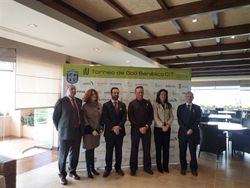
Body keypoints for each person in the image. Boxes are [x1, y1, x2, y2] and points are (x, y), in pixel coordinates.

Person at [53, 84, 83, 185]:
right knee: (63, 156)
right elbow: (55, 117)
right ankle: (62, 175)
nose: (74, 90)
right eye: (71, 89)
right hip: (64, 134)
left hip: (77, 132)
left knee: (75, 155)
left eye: (75, 89)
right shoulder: (61, 101)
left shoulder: (79, 101)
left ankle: (72, 172)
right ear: (67, 90)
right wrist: (60, 129)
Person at [128, 86, 154, 176]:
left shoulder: (148, 103)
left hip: (147, 130)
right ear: (135, 93)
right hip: (135, 130)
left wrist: (146, 126)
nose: (140, 93)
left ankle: (147, 167)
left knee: (147, 149)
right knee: (134, 149)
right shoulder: (132, 104)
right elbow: (131, 118)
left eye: (142, 92)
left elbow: (151, 116)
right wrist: (139, 127)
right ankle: (133, 168)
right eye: (139, 92)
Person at [102, 87, 127, 177]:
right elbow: (105, 118)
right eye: (114, 93)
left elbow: (124, 117)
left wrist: (118, 127)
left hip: (120, 132)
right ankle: (108, 169)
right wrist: (113, 128)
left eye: (117, 93)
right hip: (109, 132)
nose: (116, 94)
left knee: (118, 151)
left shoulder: (123, 105)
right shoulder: (105, 105)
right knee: (109, 152)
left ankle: (118, 168)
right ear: (111, 93)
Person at [177, 91, 201, 176]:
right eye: (187, 96)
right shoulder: (180, 107)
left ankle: (194, 168)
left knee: (193, 152)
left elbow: (198, 120)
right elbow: (179, 120)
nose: (189, 98)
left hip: (193, 133)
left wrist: (191, 129)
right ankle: (183, 168)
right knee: (182, 152)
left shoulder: (197, 108)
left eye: (191, 96)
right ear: (185, 97)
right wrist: (186, 129)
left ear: (193, 98)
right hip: (183, 133)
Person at [82, 89, 102, 179]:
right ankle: (88, 171)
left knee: (92, 150)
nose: (94, 96)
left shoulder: (99, 105)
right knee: (88, 151)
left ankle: (93, 168)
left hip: (97, 131)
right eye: (92, 94)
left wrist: (101, 128)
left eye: (95, 94)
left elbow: (102, 119)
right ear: (88, 96)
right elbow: (85, 120)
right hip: (88, 132)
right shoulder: (85, 106)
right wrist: (91, 131)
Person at [153, 89, 174, 173]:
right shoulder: (155, 105)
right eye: (161, 94)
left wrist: (168, 125)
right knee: (158, 149)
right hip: (158, 129)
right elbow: (155, 117)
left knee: (166, 149)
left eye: (165, 94)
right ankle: (159, 166)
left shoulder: (169, 105)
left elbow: (172, 116)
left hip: (167, 129)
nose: (163, 96)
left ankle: (165, 166)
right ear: (159, 95)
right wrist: (162, 126)